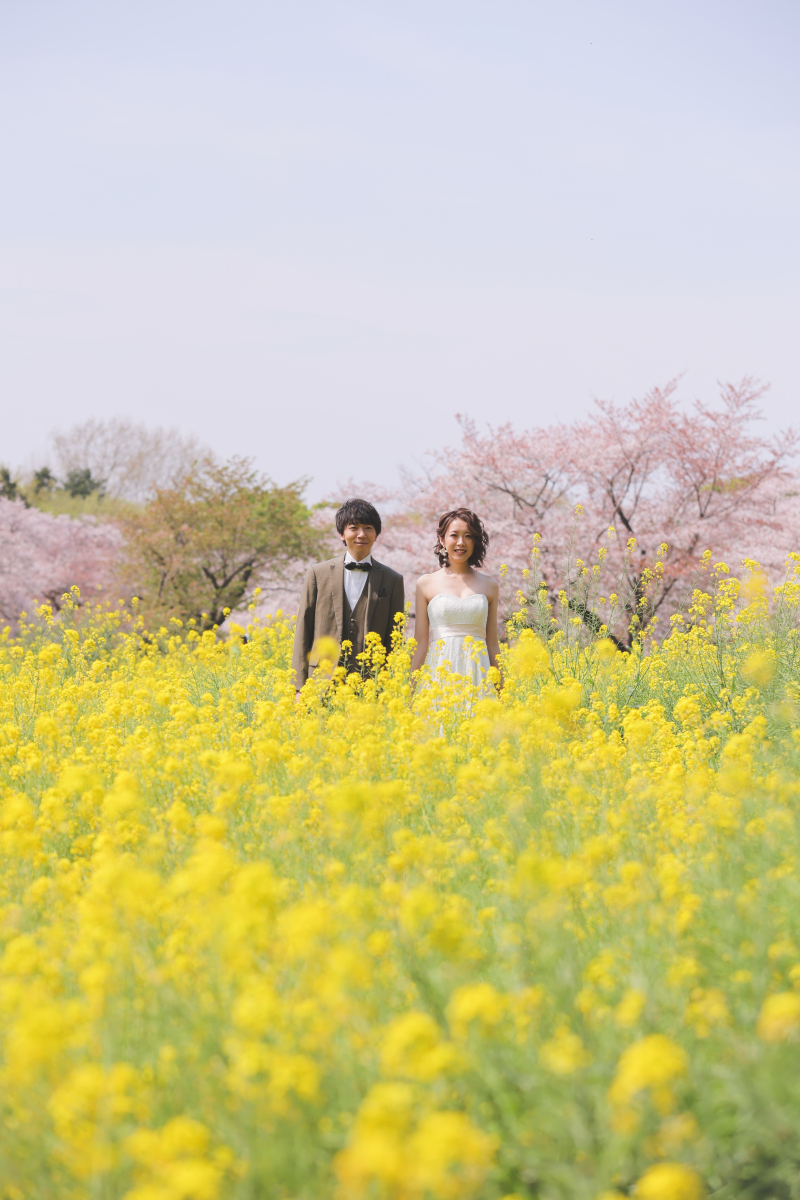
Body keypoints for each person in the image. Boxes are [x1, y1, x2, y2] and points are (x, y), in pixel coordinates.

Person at [293, 498, 405, 694]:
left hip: (370, 684)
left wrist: (390, 688)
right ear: (341, 534)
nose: (361, 534)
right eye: (354, 528)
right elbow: (304, 629)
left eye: (368, 528)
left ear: (377, 534)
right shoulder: (317, 574)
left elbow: (394, 638)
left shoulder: (393, 580)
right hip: (321, 682)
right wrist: (298, 688)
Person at [410, 508, 500, 691]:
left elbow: (492, 644)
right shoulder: (425, 583)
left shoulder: (490, 585)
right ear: (442, 540)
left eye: (468, 536)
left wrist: (502, 691)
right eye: (454, 535)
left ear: (475, 541)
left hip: (479, 675)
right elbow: (420, 643)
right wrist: (410, 691)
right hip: (438, 675)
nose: (461, 542)